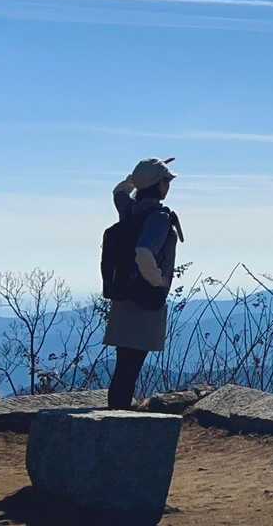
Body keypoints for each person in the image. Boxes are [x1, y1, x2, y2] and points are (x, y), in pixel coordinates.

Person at [104, 157, 183, 409]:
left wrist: (137, 177)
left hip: (123, 295)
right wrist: (158, 280)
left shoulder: (129, 210)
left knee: (124, 365)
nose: (168, 186)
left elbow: (119, 191)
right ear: (159, 185)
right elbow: (144, 252)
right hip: (145, 299)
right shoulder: (158, 217)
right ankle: (119, 418)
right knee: (132, 365)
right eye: (166, 181)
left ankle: (116, 411)